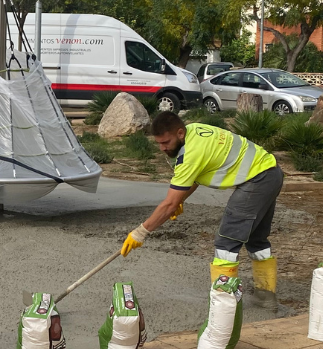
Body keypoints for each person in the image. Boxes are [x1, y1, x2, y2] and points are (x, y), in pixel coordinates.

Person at [121, 111, 283, 310]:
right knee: (256, 240)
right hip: (271, 172)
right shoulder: (196, 130)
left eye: (166, 142)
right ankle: (266, 297)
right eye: (159, 143)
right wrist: (181, 199)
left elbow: (169, 203)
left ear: (180, 133)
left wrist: (141, 232)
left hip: (256, 181)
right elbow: (197, 175)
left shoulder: (190, 154)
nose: (162, 148)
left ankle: (224, 305)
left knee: (226, 243)